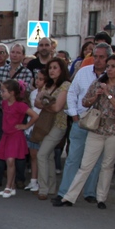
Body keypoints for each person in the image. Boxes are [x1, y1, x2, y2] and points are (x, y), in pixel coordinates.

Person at [55, 54, 115, 208]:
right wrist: (94, 97)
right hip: (97, 129)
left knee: (107, 165)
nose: (109, 69)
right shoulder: (99, 82)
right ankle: (69, 197)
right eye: (108, 66)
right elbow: (85, 101)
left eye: (113, 66)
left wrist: (108, 93)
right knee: (86, 165)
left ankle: (101, 198)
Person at [60, 44, 108, 203]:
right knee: (73, 158)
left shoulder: (112, 75)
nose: (98, 60)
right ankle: (64, 192)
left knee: (95, 161)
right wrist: (74, 116)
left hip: (101, 124)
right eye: (96, 56)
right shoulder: (84, 72)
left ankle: (89, 193)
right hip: (80, 120)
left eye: (102, 57)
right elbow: (72, 93)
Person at [32, 58, 70, 200]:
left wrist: (44, 102)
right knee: (48, 156)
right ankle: (51, 187)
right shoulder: (47, 85)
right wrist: (45, 102)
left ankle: (43, 189)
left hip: (58, 124)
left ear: (62, 69)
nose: (52, 71)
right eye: (50, 68)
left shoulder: (66, 85)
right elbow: (37, 101)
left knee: (42, 154)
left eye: (55, 67)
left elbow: (57, 107)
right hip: (46, 123)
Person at [0, 80, 36, 198]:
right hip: (6, 135)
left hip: (15, 136)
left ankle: (8, 187)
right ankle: (12, 186)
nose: (1, 93)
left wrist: (25, 126)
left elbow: (35, 115)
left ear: (12, 93)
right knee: (8, 161)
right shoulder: (4, 104)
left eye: (4, 91)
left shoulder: (20, 105)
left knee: (10, 161)